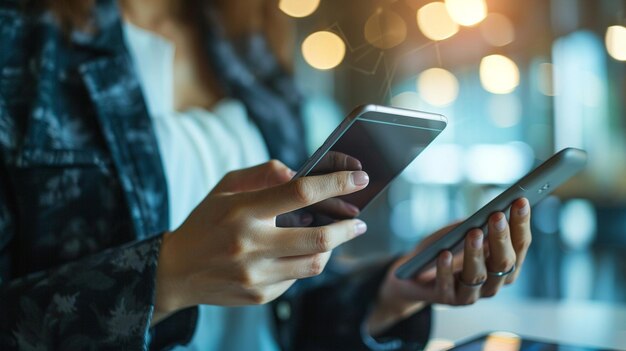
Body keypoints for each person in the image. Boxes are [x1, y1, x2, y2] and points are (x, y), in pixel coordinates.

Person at [0, 0, 532, 350]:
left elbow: (289, 312)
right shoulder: (18, 42)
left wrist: (392, 290)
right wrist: (168, 275)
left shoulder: (249, 49)